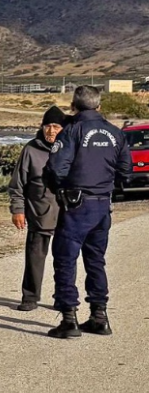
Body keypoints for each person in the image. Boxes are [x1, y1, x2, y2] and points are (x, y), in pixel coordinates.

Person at [46, 86, 132, 339]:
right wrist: (106, 186)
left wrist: (62, 190)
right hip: (102, 204)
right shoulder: (116, 134)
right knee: (96, 260)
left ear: (73, 106)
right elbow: (126, 172)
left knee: (65, 259)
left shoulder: (71, 132)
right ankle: (99, 315)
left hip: (77, 203)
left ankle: (69, 318)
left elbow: (55, 168)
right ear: (99, 106)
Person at [8, 106, 66, 311]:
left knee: (65, 260)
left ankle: (63, 297)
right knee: (34, 257)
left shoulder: (71, 147)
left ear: (63, 128)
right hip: (38, 212)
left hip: (67, 214)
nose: (51, 131)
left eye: (56, 127)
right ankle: (30, 297)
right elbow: (17, 184)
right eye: (47, 126)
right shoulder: (30, 150)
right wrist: (17, 210)